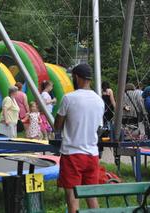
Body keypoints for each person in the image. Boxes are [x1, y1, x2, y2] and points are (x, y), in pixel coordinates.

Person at [54, 64, 104, 213]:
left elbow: (57, 126)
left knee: (72, 197)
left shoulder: (69, 98)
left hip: (72, 153)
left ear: (76, 77)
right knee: (91, 196)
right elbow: (99, 127)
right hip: (92, 154)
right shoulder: (99, 100)